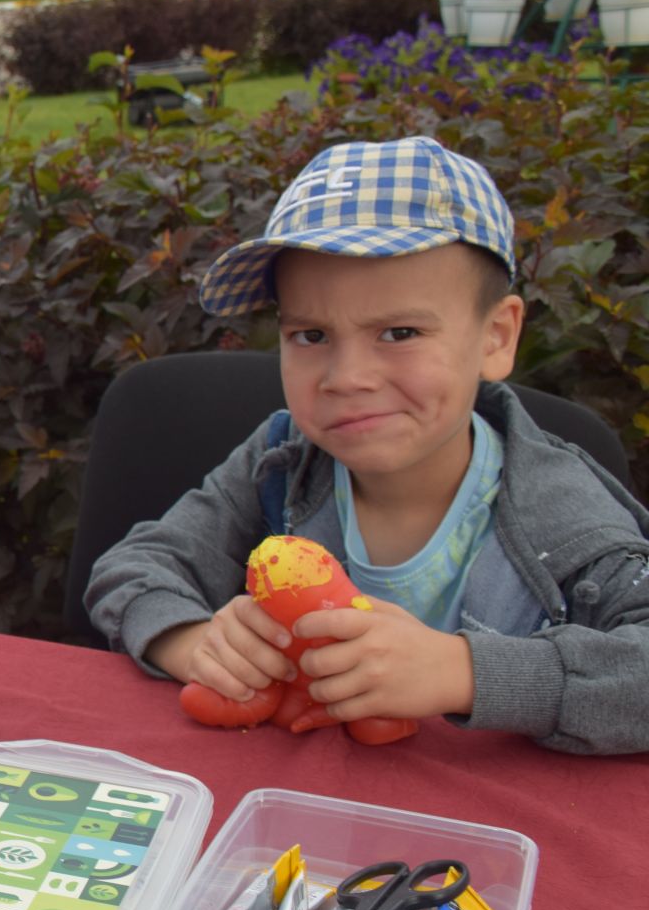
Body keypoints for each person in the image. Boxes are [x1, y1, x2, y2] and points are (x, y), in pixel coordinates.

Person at [85, 136, 649, 755]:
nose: (347, 376)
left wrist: (463, 672)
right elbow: (133, 566)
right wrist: (196, 643)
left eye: (399, 331)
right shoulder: (279, 461)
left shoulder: (567, 513)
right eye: (311, 335)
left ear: (496, 337)